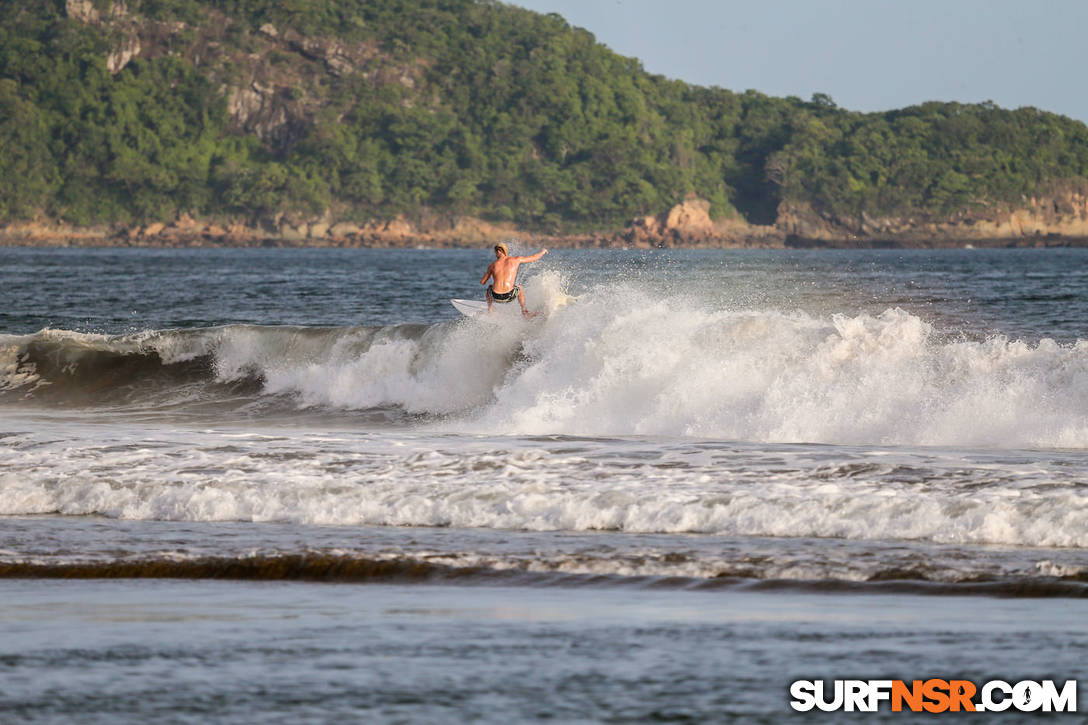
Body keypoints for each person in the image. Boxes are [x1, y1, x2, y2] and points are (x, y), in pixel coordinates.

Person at [480, 243, 548, 318]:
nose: (495, 255)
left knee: (489, 288)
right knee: (519, 288)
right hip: (509, 295)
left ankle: (490, 310)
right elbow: (534, 257)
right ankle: (525, 312)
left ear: (499, 251)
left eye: (495, 253)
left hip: (496, 296)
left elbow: (482, 282)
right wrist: (543, 252)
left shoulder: (492, 265)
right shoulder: (516, 259)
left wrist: (492, 274)